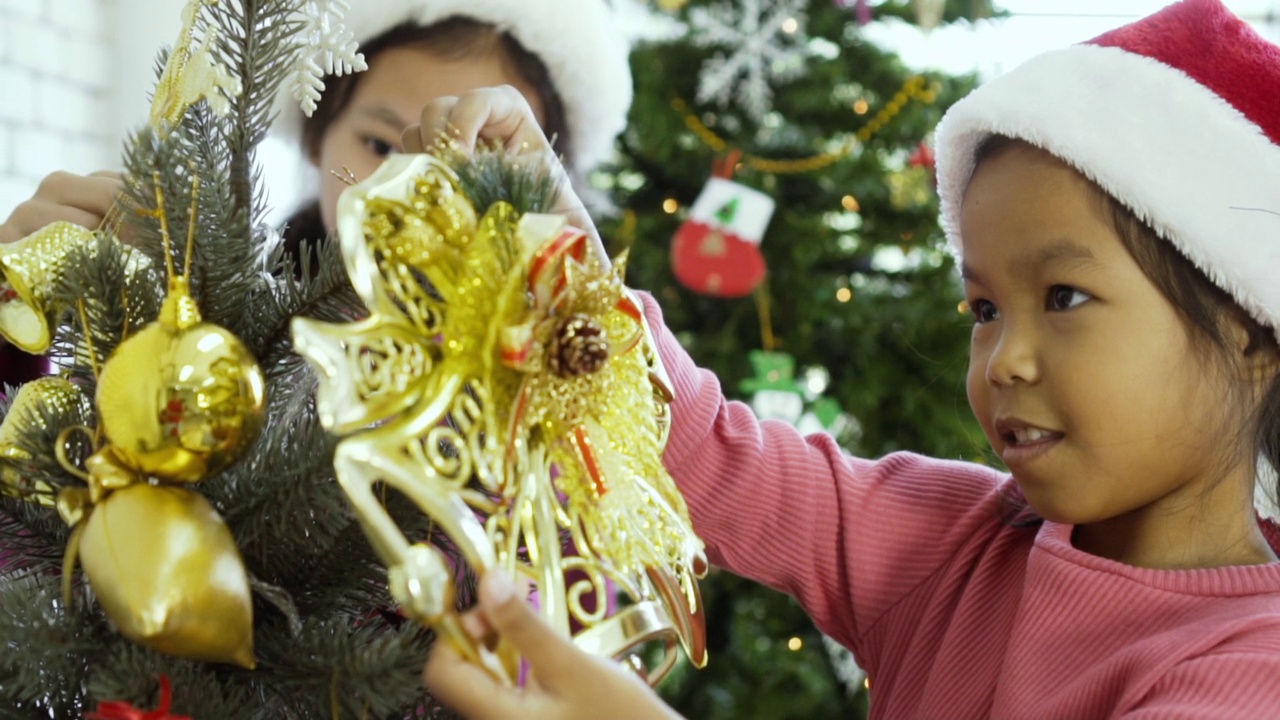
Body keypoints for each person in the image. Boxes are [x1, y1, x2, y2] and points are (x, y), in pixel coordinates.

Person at [412, 1, 1280, 717]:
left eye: (1063, 298)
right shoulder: (953, 545)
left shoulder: (1250, 670)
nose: (1005, 360)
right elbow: (705, 453)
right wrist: (541, 217)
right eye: (983, 309)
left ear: (1249, 328)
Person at [0, 0, 632, 386]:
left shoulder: (572, 366)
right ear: (315, 140)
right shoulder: (209, 320)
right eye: (382, 146)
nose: (409, 191)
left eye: (471, 162)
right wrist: (20, 332)